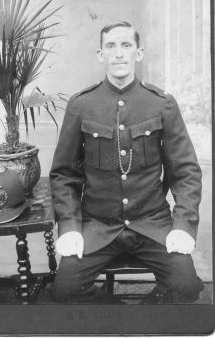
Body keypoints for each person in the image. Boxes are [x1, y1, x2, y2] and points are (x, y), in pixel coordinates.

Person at [49, 21, 203, 304]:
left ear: (138, 53)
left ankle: (135, 322)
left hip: (151, 224)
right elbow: (63, 175)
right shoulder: (81, 104)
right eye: (111, 46)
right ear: (101, 55)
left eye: (126, 45)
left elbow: (186, 173)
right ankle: (122, 319)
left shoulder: (162, 104)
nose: (118, 53)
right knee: (65, 290)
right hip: (97, 227)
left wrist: (183, 224)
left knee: (187, 286)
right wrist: (70, 226)